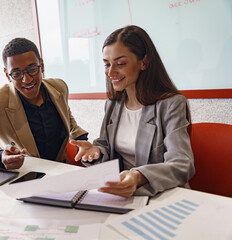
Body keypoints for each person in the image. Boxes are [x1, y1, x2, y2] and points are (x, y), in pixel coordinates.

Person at [71, 25, 195, 197]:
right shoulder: (112, 105)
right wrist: (96, 152)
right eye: (107, 64)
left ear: (144, 62)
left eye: (120, 63)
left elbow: (182, 164)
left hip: (161, 195)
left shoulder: (171, 104)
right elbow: (106, 146)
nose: (110, 72)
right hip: (122, 196)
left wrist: (138, 176)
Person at [0, 38, 88, 170]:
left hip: (62, 172)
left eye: (32, 69)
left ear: (41, 65)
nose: (27, 79)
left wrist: (83, 140)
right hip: (23, 179)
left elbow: (69, 121)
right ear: (7, 75)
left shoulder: (59, 87)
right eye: (17, 73)